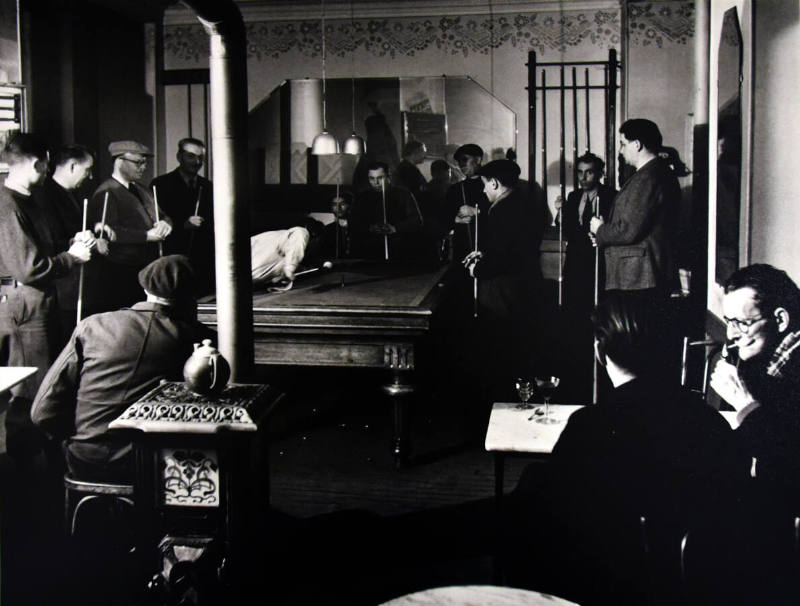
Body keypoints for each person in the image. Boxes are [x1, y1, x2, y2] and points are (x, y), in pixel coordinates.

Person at [509, 292, 742, 605]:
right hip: (693, 585)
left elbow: (556, 524)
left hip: (609, 586)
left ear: (599, 352)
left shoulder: (589, 425)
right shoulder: (709, 421)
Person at [31, 255, 212, 483]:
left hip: (85, 460)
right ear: (192, 299)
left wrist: (80, 438)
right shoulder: (196, 339)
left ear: (145, 288)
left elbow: (41, 413)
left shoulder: (93, 325)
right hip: (153, 465)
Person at [702, 264, 800, 604]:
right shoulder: (772, 360)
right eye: (728, 322)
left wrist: (743, 402)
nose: (731, 334)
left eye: (742, 322)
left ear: (781, 320)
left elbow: (787, 458)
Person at [0, 133, 94, 460]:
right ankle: (24, 469)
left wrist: (73, 243)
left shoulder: (29, 199)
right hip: (24, 306)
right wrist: (73, 259)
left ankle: (41, 458)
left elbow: (45, 249)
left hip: (39, 302)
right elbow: (30, 268)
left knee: (44, 383)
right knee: (28, 389)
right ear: (39, 163)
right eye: (45, 165)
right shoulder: (8, 205)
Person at [462, 159, 542, 400]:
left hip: (504, 293)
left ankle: (501, 404)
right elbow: (510, 249)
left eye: (485, 185)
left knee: (503, 350)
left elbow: (502, 260)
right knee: (518, 349)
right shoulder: (522, 204)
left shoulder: (501, 210)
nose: (484, 190)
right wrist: (485, 254)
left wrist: (477, 268)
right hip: (522, 288)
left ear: (494, 183)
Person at [589, 119, 680, 296]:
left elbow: (628, 229)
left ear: (637, 144)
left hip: (639, 277)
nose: (621, 150)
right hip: (641, 275)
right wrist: (603, 236)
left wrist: (600, 230)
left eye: (623, 144)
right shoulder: (654, 174)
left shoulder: (647, 178)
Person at [86, 140, 172, 314]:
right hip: (122, 272)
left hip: (145, 268)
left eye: (144, 163)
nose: (143, 167)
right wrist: (146, 236)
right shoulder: (106, 192)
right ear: (119, 161)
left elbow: (163, 215)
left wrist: (166, 223)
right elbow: (109, 232)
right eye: (138, 163)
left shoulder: (142, 189)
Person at [34, 144, 98, 345]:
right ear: (71, 166)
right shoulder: (44, 195)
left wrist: (96, 228)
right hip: (61, 285)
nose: (90, 176)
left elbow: (78, 227)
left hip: (75, 283)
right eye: (87, 170)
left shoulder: (72, 193)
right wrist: (75, 240)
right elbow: (50, 242)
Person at [150, 137, 215, 294]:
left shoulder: (208, 186)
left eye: (201, 157)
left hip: (202, 256)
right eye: (191, 156)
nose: (197, 162)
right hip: (173, 252)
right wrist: (183, 224)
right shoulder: (160, 184)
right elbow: (156, 219)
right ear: (179, 157)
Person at [555, 152, 615, 315]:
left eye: (589, 172)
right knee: (574, 306)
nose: (583, 177)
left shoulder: (611, 196)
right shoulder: (573, 196)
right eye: (580, 172)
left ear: (599, 174)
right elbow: (566, 229)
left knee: (598, 306)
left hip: (599, 260)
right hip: (575, 260)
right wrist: (561, 211)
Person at [349, 161, 424, 262]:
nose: (375, 183)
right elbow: (355, 223)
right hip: (370, 251)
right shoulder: (363, 197)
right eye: (372, 179)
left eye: (380, 178)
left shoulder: (403, 194)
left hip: (399, 250)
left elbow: (417, 221)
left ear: (389, 177)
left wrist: (395, 228)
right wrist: (370, 228)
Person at [444, 143, 488, 261]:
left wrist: (477, 212)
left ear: (478, 159)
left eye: (465, 159)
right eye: (459, 161)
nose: (461, 164)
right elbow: (444, 217)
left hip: (488, 246)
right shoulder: (455, 189)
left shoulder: (492, 185)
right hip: (463, 248)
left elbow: (503, 214)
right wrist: (455, 219)